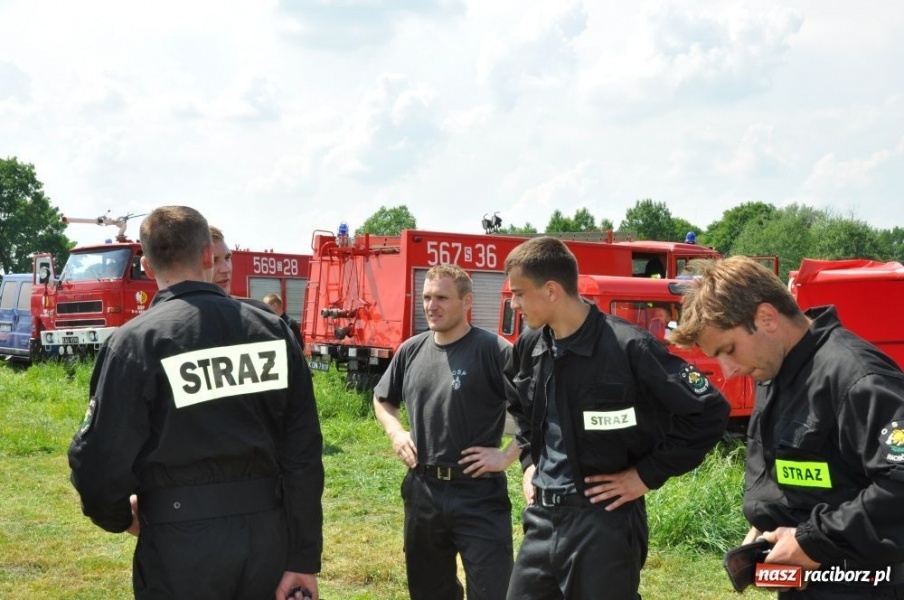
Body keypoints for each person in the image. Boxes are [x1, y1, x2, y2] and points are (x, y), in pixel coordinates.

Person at [68, 206, 324, 600]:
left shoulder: (136, 343)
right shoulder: (271, 331)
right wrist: (302, 557)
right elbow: (303, 453)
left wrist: (120, 517)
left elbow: (99, 461)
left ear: (147, 263)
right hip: (268, 542)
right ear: (208, 255)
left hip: (178, 546)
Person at [503, 236, 730, 600]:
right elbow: (519, 402)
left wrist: (646, 475)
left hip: (603, 521)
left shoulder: (630, 347)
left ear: (550, 290)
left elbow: (708, 410)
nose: (513, 305)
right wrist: (530, 461)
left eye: (518, 293)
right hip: (542, 519)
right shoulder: (531, 346)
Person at [669, 256, 904, 599]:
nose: (728, 371)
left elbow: (898, 484)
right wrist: (765, 524)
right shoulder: (774, 371)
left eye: (729, 350)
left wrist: (812, 542)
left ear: (766, 318)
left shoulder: (857, 378)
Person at [373, 263, 520, 600]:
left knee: (493, 591)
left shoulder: (494, 351)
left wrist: (506, 455)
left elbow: (537, 412)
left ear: (467, 302)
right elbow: (382, 399)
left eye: (441, 297)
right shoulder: (411, 350)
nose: (431, 306)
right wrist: (396, 432)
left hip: (478, 493)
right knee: (428, 591)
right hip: (422, 490)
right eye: (426, 297)